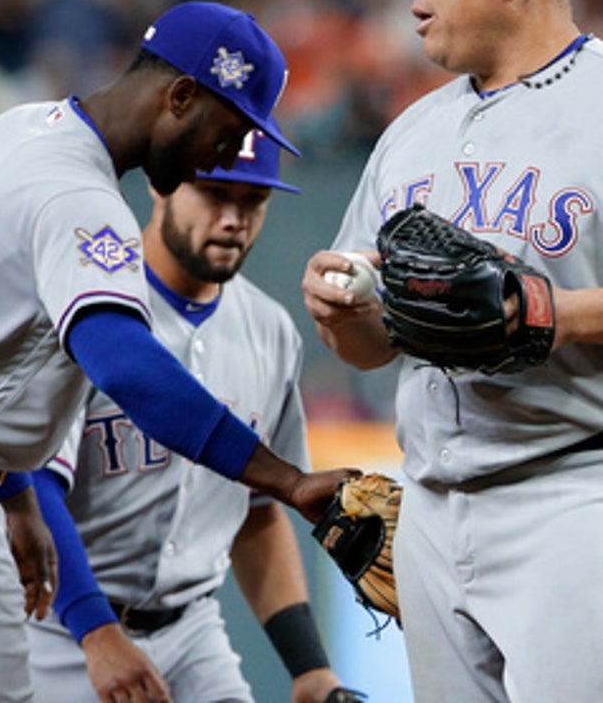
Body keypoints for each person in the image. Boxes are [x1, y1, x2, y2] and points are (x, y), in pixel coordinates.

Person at [0, 0, 354, 702]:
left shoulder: (20, 128)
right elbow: (125, 365)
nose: (225, 148)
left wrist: (16, 484)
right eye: (228, 127)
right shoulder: (80, 198)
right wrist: (284, 479)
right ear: (179, 95)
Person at [302, 0, 603, 699]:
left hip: (581, 491)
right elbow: (373, 345)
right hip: (434, 499)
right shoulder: (410, 132)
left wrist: (559, 313)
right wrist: (345, 317)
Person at [26, 129, 362, 703]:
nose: (234, 218)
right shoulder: (87, 307)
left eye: (252, 200)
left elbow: (258, 514)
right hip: (61, 627)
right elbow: (34, 487)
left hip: (194, 630)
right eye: (214, 194)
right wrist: (97, 634)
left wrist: (309, 667)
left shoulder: (270, 329)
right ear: (160, 185)